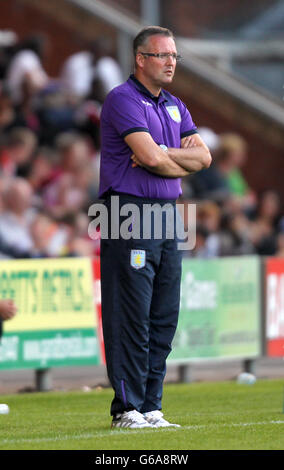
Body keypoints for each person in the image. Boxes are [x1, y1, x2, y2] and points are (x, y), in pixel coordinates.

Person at [99, 26, 211, 429]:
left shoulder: (176, 105)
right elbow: (149, 157)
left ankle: (150, 406)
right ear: (140, 59)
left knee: (164, 314)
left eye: (175, 56)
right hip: (126, 210)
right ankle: (126, 408)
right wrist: (165, 157)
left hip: (170, 211)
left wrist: (163, 155)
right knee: (131, 312)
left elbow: (205, 159)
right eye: (162, 55)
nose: (171, 63)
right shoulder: (122, 99)